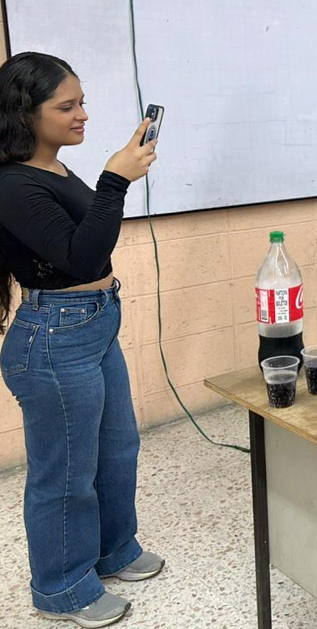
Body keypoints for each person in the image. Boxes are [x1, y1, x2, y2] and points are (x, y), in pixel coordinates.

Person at [0, 52, 164, 627]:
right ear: (25, 113)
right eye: (66, 106)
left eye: (82, 102)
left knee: (117, 448)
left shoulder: (54, 169)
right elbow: (83, 256)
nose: (83, 115)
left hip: (93, 324)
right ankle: (62, 588)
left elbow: (93, 238)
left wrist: (112, 180)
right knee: (65, 471)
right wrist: (115, 179)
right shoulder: (12, 184)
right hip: (53, 338)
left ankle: (114, 550)